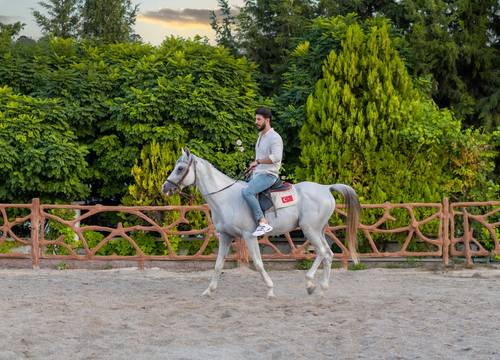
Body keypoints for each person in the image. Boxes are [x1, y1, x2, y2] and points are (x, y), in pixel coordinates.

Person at [242, 107, 284, 237]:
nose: (256, 122)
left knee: (247, 192)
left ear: (267, 120)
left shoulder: (274, 137)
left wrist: (258, 162)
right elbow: (260, 158)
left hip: (269, 175)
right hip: (258, 173)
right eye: (256, 119)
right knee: (239, 188)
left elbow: (276, 157)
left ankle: (263, 222)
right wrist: (254, 167)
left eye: (259, 119)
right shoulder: (261, 136)